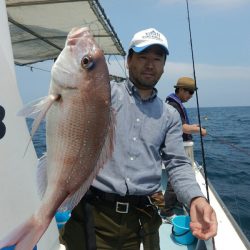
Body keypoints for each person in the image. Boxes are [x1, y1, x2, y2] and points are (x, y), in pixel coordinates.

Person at [60, 28, 217, 250]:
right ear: (128, 60)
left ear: (163, 66)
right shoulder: (105, 94)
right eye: (143, 57)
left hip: (142, 219)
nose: (150, 64)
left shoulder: (169, 115)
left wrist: (196, 199)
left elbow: (178, 163)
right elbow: (74, 85)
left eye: (157, 59)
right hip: (93, 214)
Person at [161, 77, 207, 222]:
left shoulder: (175, 103)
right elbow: (180, 127)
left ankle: (177, 203)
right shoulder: (173, 105)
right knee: (175, 180)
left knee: (177, 179)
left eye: (192, 93)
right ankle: (166, 212)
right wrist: (198, 129)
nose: (191, 95)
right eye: (189, 92)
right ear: (180, 89)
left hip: (180, 146)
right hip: (176, 147)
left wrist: (193, 127)